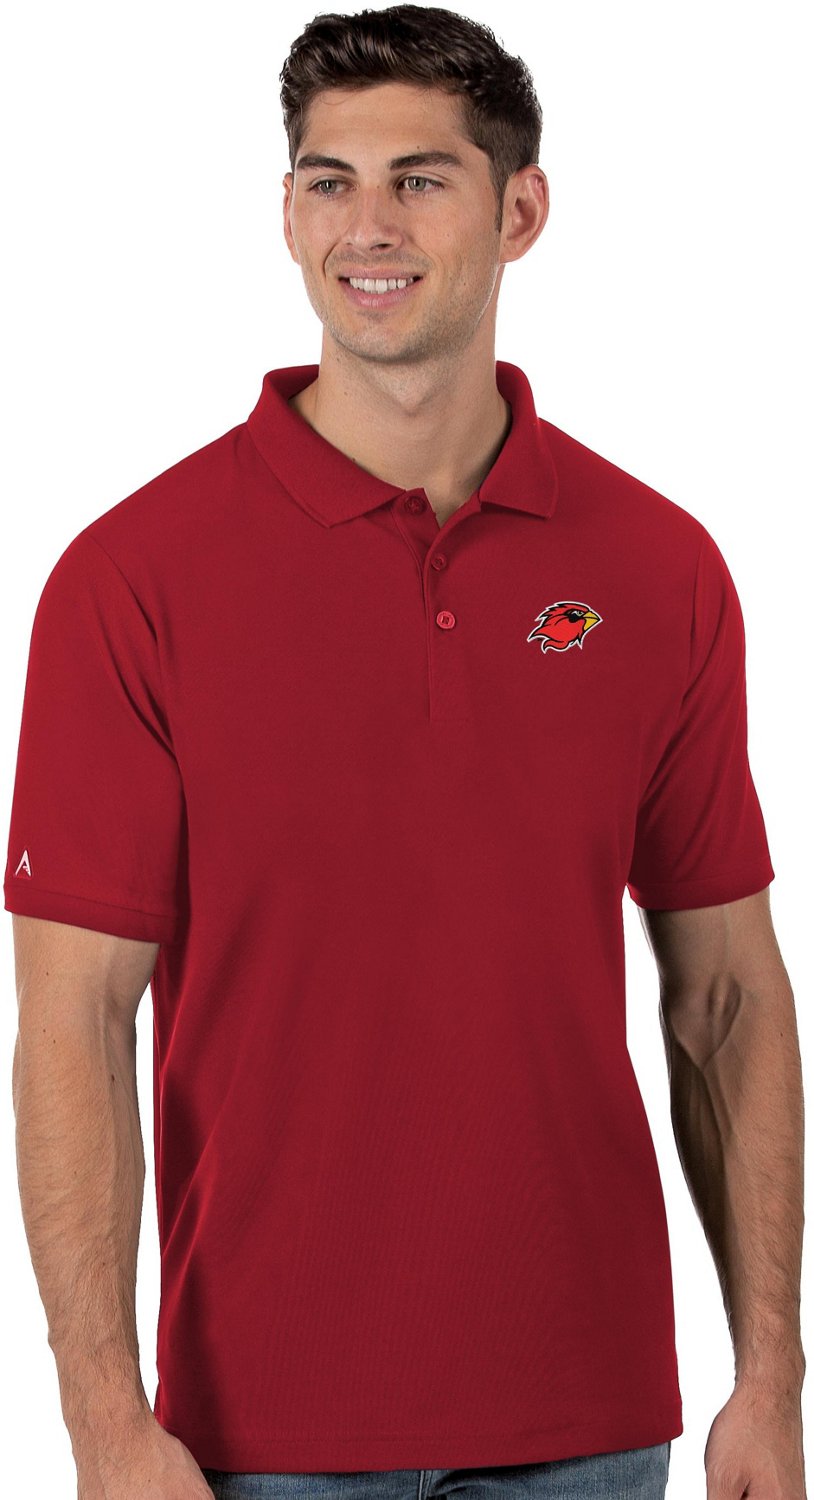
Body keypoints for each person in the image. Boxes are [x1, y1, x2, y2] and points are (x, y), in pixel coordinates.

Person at [4, 5, 806, 1499]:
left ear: (521, 212)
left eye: (419, 180)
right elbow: (71, 1026)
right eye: (329, 182)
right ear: (287, 213)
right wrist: (105, 1426)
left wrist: (771, 1380)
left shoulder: (657, 568)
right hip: (254, 1440)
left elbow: (727, 999)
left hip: (591, 1424)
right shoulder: (133, 579)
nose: (365, 227)